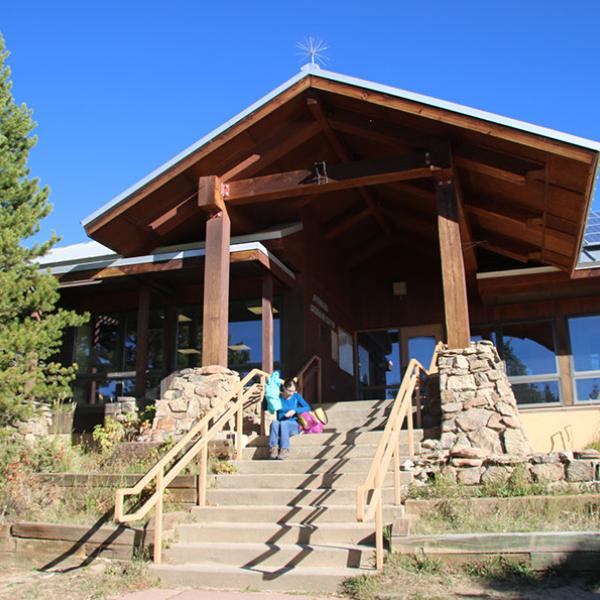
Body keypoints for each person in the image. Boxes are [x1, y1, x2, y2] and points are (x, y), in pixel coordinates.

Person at [269, 377, 310, 460]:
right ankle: (273, 449)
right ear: (284, 388)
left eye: (293, 391)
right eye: (289, 391)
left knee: (284, 424)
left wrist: (295, 410)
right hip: (280, 425)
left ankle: (284, 449)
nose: (292, 393)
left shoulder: (296, 396)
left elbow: (307, 407)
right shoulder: (278, 397)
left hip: (293, 425)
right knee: (274, 423)